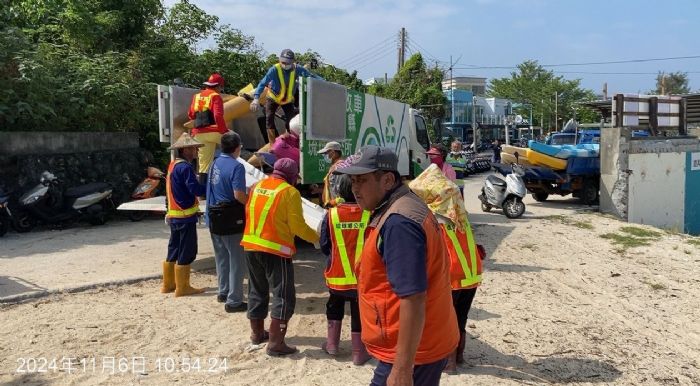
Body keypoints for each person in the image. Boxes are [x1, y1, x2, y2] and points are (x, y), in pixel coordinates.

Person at [334, 145, 459, 386]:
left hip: (415, 350)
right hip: (420, 341)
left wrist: (402, 369)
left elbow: (413, 298)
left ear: (388, 180)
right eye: (352, 181)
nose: (355, 189)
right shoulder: (402, 206)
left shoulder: (399, 223)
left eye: (361, 180)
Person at [240, 158, 320, 356]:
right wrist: (317, 238)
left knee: (256, 290)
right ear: (292, 176)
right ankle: (276, 343)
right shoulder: (289, 192)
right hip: (276, 250)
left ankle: (257, 334)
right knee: (283, 295)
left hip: (251, 245)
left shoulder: (257, 186)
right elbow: (297, 226)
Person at [408, 166, 483, 373]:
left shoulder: (433, 219)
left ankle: (448, 363)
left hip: (450, 276)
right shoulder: (460, 212)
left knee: (444, 320)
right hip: (471, 274)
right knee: (461, 317)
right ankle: (459, 356)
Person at [319, 174, 371, 365]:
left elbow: (324, 244)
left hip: (337, 275)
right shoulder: (369, 213)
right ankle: (358, 353)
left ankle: (332, 345)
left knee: (334, 305)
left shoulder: (331, 214)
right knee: (359, 312)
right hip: (361, 277)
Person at [206, 131, 248, 313]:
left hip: (214, 217)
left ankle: (223, 291)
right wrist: (252, 201)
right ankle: (234, 301)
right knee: (237, 261)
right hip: (230, 220)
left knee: (221, 258)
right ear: (237, 148)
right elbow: (239, 195)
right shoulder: (236, 167)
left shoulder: (214, 163)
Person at [162, 133, 207, 297]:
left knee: (174, 248)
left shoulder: (172, 166)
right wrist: (210, 189)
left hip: (174, 216)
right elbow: (194, 189)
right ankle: (183, 287)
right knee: (187, 251)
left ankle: (168, 284)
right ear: (185, 150)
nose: (196, 151)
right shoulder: (186, 168)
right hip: (185, 217)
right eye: (194, 148)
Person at [250, 49, 321, 144]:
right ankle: (272, 144)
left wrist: (326, 83)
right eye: (283, 62)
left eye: (287, 63)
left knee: (290, 121)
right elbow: (263, 83)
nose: (285, 64)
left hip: (287, 100)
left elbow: (311, 76)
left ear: (292, 62)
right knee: (269, 118)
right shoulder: (274, 69)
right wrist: (256, 98)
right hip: (273, 97)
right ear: (279, 60)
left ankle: (289, 142)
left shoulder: (298, 69)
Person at [188, 73, 229, 185]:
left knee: (204, 164)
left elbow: (191, 115)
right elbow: (217, 116)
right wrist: (224, 131)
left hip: (198, 134)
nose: (221, 90)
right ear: (218, 86)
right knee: (234, 145)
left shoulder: (196, 96)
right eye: (221, 87)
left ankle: (202, 193)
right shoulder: (215, 96)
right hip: (214, 131)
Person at [317, 141, 344, 208]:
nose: (325, 156)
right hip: (332, 205)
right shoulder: (334, 166)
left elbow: (338, 190)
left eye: (326, 153)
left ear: (333, 152)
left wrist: (333, 203)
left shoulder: (339, 167)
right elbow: (331, 187)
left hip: (336, 206)